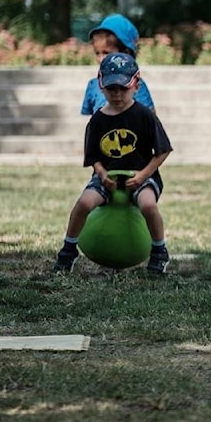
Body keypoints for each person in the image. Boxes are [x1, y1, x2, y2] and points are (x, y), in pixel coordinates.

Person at [54, 52, 173, 274]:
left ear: (135, 85)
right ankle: (68, 250)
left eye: (123, 88)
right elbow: (93, 157)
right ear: (101, 86)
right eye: (111, 89)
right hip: (107, 177)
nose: (117, 94)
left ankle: (159, 251)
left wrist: (143, 175)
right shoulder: (97, 119)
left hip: (142, 176)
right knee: (83, 204)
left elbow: (162, 151)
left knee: (148, 204)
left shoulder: (144, 116)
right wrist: (101, 174)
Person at [82, 14, 156, 115]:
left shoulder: (135, 85)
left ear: (125, 53)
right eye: (97, 53)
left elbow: (151, 122)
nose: (101, 59)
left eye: (106, 53)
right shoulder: (94, 85)